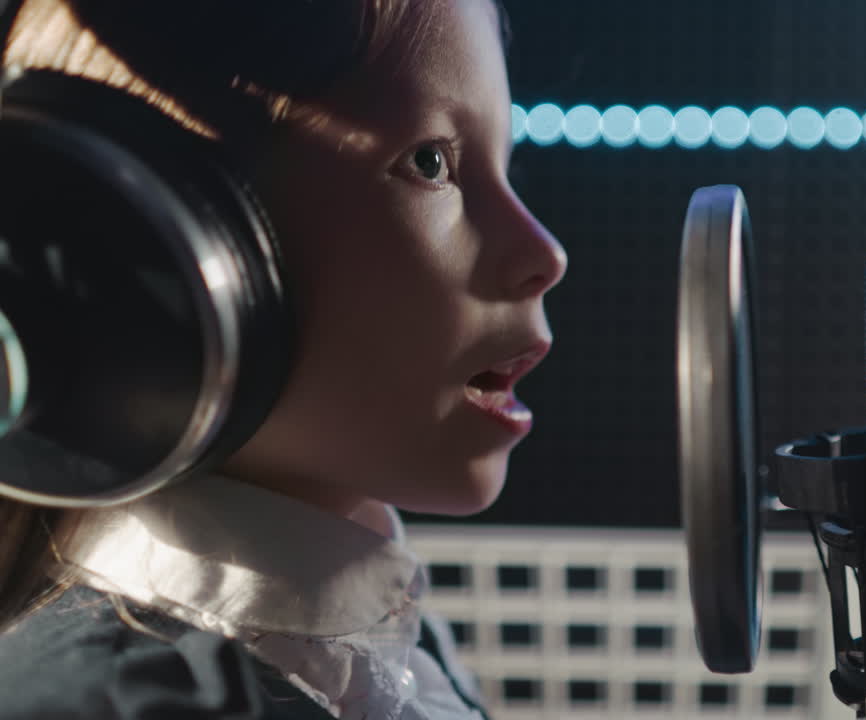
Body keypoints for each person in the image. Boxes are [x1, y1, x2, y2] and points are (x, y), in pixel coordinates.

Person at [0, 0, 567, 717]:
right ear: (150, 229)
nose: (545, 254)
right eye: (432, 163)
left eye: (507, 167)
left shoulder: (376, 652)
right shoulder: (116, 703)